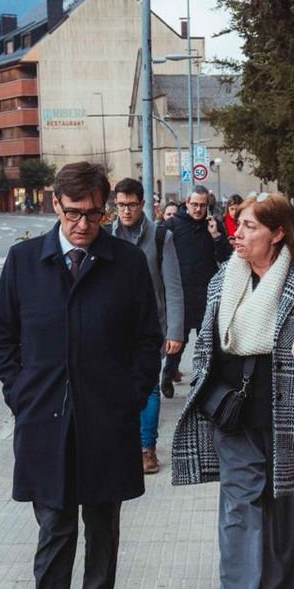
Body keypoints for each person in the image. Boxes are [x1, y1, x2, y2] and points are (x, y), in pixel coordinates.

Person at [0, 161, 163, 589]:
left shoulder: (125, 263)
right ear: (55, 206)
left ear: (105, 211)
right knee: (55, 531)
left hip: (107, 421)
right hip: (45, 422)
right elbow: (2, 338)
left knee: (103, 526)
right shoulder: (23, 261)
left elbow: (149, 337)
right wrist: (20, 394)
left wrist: (129, 397)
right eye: (72, 214)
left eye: (93, 214)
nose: (83, 224)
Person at [171, 192, 294, 589]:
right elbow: (208, 346)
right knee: (239, 513)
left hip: (288, 414)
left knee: (286, 512)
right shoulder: (221, 280)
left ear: (278, 233)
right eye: (239, 225)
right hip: (231, 415)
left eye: (250, 226)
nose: (239, 234)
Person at [108, 177, 185, 475]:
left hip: (150, 327)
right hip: (113, 327)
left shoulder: (160, 237)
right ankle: (121, 444)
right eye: (121, 205)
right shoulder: (106, 236)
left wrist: (176, 330)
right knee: (115, 385)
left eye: (132, 205)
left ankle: (146, 449)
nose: (126, 211)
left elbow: (173, 287)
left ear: (143, 205)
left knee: (149, 387)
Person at [159, 185, 232, 398]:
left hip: (206, 293)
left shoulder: (213, 225)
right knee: (178, 340)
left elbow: (227, 258)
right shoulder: (172, 225)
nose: (198, 209)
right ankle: (168, 373)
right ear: (186, 203)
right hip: (180, 293)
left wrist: (217, 236)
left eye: (202, 205)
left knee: (207, 341)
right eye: (194, 205)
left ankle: (204, 380)